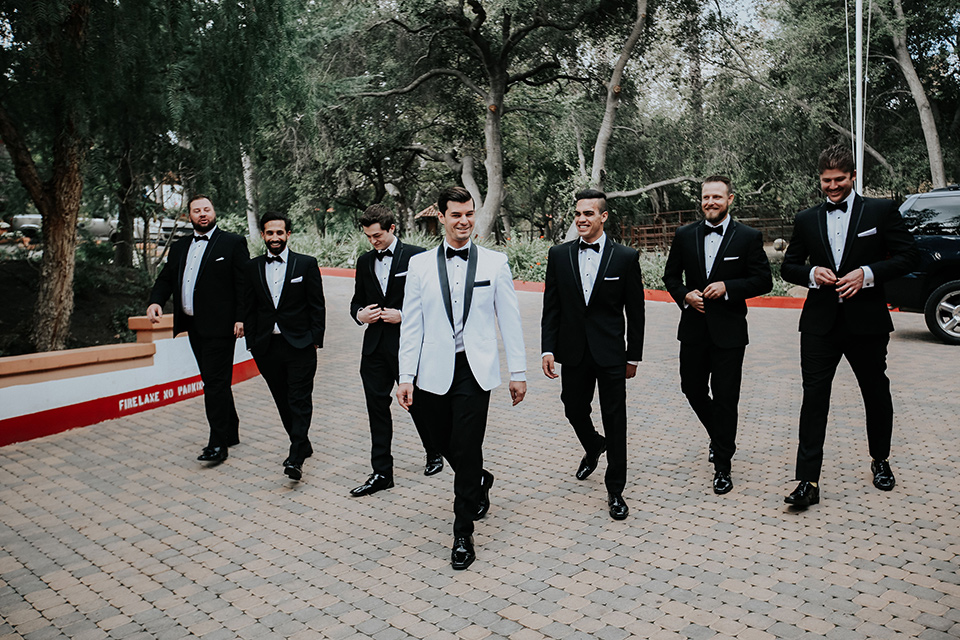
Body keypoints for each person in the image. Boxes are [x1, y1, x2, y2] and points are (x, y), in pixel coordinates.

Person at [780, 144, 918, 507]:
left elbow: (908, 255)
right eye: (826, 181)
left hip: (867, 322)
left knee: (875, 392)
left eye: (839, 180)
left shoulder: (881, 210)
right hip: (819, 323)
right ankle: (808, 481)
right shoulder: (806, 218)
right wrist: (811, 272)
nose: (832, 187)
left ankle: (881, 460)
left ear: (853, 177)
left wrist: (867, 274)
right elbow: (789, 265)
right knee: (813, 400)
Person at [397, 186, 527, 570]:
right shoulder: (419, 265)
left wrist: (517, 372)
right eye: (456, 214)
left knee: (467, 446)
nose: (464, 221)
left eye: (469, 213)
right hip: (431, 370)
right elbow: (412, 326)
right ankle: (479, 479)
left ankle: (462, 532)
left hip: (475, 370)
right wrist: (406, 376)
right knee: (440, 441)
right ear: (441, 216)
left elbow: (510, 319)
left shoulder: (494, 263)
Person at [662, 176, 772, 495]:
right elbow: (671, 276)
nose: (710, 202)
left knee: (726, 399)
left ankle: (722, 466)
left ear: (730, 199)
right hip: (693, 330)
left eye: (717, 197)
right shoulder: (685, 235)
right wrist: (684, 295)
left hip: (730, 333)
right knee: (691, 388)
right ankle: (722, 436)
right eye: (706, 197)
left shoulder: (748, 237)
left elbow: (763, 280)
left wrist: (729, 288)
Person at [540, 189, 645, 520]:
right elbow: (551, 307)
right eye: (578, 214)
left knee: (616, 420)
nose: (582, 219)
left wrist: (633, 357)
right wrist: (548, 348)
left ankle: (615, 490)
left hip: (611, 353)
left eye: (589, 213)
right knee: (573, 408)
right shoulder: (559, 254)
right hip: (573, 351)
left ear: (603, 216)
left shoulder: (625, 257)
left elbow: (636, 311)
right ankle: (592, 445)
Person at [147, 195, 249, 464]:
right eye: (196, 211)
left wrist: (242, 318)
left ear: (214, 212)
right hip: (193, 326)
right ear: (189, 215)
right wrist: (156, 301)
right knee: (215, 380)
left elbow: (243, 284)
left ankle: (218, 444)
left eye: (207, 209)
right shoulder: (181, 246)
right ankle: (231, 430)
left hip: (222, 326)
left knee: (213, 383)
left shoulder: (232, 242)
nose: (202, 214)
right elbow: (167, 277)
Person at [349, 204, 439, 497]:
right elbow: (356, 301)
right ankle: (381, 472)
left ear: (392, 229)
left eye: (377, 236)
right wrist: (360, 314)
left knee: (418, 403)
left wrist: (404, 315)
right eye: (368, 237)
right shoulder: (364, 262)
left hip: (409, 345)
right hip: (374, 348)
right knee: (376, 408)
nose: (373, 241)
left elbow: (434, 303)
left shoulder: (417, 257)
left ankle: (434, 451)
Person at [242, 212, 325, 481]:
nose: (275, 237)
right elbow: (249, 307)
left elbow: (317, 305)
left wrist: (315, 339)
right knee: (282, 399)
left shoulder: (306, 264)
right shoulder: (252, 267)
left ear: (288, 234)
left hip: (300, 344)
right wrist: (252, 342)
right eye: (269, 233)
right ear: (263, 235)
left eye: (279, 232)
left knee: (299, 399)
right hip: (266, 346)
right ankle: (302, 441)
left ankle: (296, 456)